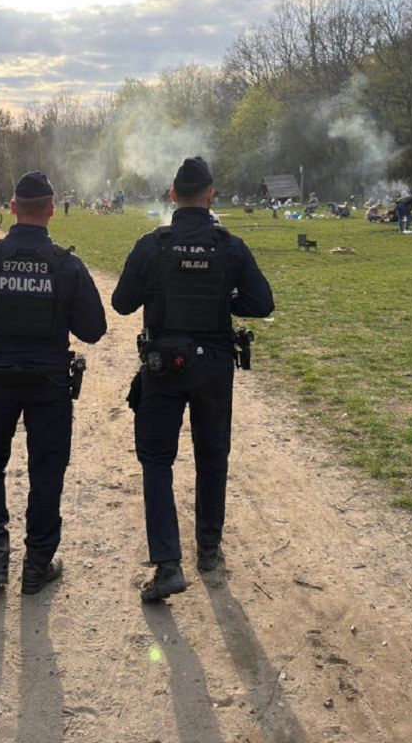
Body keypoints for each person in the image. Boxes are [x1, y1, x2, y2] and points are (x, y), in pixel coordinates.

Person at [112, 157, 274, 603]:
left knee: (157, 460)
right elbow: (262, 302)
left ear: (171, 196)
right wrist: (224, 300)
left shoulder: (153, 245)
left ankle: (167, 564)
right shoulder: (229, 246)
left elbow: (122, 303)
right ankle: (208, 549)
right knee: (212, 456)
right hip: (214, 368)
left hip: (164, 367)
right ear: (210, 196)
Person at [0, 171, 107, 594]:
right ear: (52, 211)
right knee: (47, 469)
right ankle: (37, 564)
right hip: (49, 383)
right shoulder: (66, 265)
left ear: (13, 208)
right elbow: (93, 329)